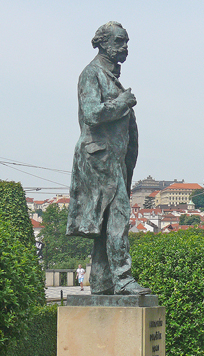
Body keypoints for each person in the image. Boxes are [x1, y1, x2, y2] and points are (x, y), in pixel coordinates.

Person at [66, 22, 150, 296]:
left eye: (126, 42)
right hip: (100, 160)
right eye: (120, 41)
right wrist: (122, 102)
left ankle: (102, 283)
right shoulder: (91, 74)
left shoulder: (108, 76)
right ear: (103, 43)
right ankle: (123, 279)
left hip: (114, 160)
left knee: (104, 223)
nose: (125, 47)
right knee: (118, 217)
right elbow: (91, 114)